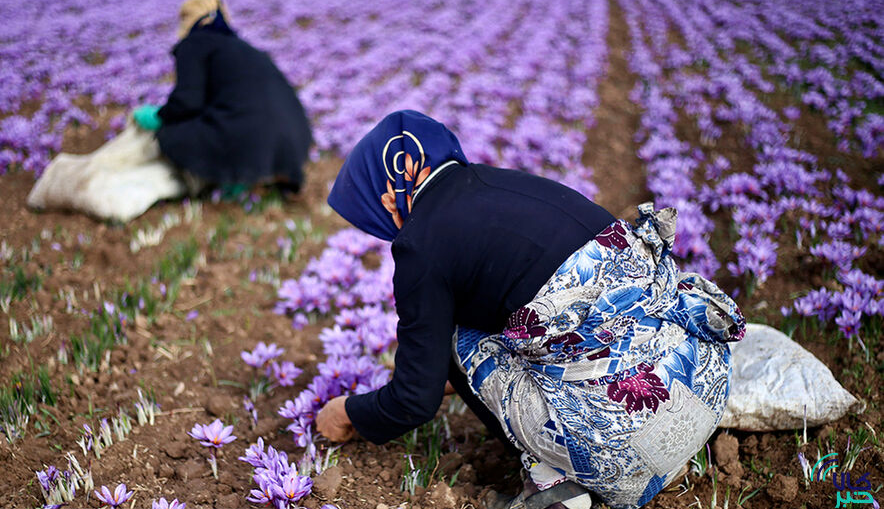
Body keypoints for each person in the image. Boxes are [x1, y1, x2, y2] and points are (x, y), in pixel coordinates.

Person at [316, 110, 746, 509]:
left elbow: (414, 400)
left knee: (449, 334)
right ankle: (660, 459)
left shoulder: (420, 246)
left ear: (391, 193)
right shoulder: (509, 186)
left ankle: (555, 486)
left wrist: (348, 413)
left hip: (621, 455)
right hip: (700, 393)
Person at [132, 0, 312, 196]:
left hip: (249, 138)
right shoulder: (245, 47)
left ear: (186, 21)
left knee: (171, 134)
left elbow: (187, 102)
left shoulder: (194, 43)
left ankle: (234, 177)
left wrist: (159, 116)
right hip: (297, 141)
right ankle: (263, 173)